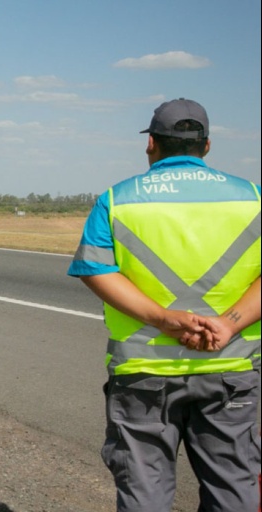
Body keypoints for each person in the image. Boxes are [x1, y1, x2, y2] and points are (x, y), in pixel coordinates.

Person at [68, 98, 261, 512]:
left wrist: (163, 319)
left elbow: (94, 270)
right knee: (233, 491)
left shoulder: (117, 200)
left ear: (151, 143)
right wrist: (228, 325)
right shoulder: (253, 197)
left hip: (144, 373)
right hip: (231, 369)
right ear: (206, 147)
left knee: (145, 494)